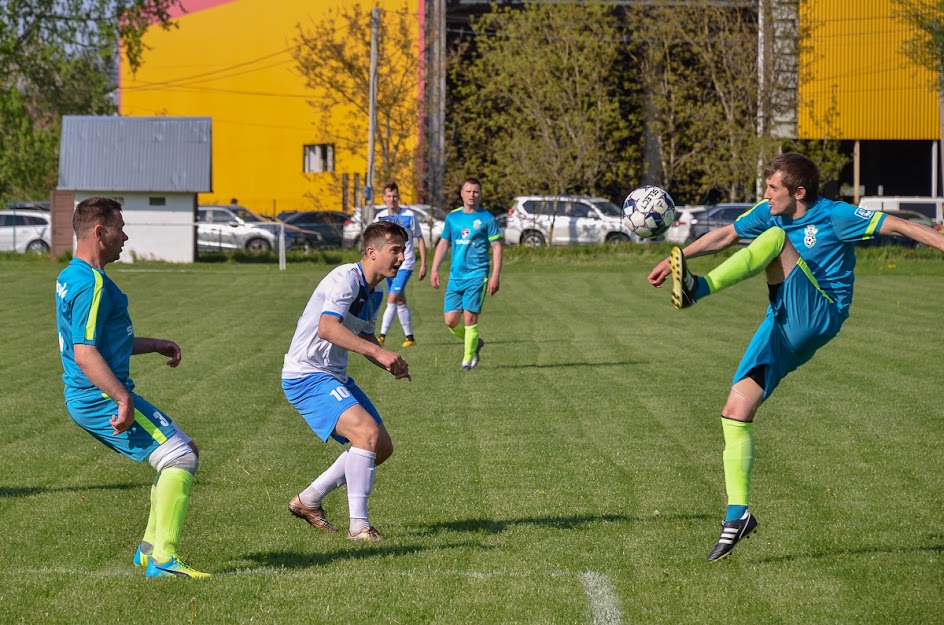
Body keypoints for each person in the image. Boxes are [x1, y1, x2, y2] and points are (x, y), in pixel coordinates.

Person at [648, 152, 944, 562]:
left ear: (798, 192)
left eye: (773, 188)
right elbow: (726, 236)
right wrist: (674, 259)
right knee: (736, 408)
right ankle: (738, 515)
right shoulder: (769, 210)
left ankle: (699, 291)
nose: (766, 195)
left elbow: (899, 225)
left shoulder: (835, 214)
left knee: (774, 239)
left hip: (821, 311)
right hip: (784, 317)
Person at [55, 197, 209, 578]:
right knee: (180, 459)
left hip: (88, 393)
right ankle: (164, 560)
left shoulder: (71, 276)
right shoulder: (91, 284)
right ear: (98, 231)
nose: (125, 236)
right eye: (120, 227)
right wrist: (122, 398)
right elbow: (86, 352)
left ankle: (147, 550)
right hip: (98, 395)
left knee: (184, 448)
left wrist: (153, 344)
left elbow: (103, 342)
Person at [282, 221, 412, 542]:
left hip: (332, 375)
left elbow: (364, 333)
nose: (401, 258)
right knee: (366, 434)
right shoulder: (346, 279)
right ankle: (359, 527)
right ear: (372, 252)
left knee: (380, 447)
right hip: (306, 375)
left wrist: (386, 360)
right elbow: (327, 328)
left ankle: (308, 500)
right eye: (395, 250)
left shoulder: (376, 291)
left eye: (403, 251)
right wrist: (378, 354)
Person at [430, 178, 503, 371]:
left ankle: (467, 361)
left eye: (476, 191)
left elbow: (496, 247)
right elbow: (444, 243)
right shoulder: (452, 218)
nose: (472, 195)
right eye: (468, 191)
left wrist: (495, 275)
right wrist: (434, 269)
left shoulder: (487, 218)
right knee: (450, 321)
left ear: (480, 194)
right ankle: (475, 342)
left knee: (470, 319)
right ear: (462, 193)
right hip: (456, 277)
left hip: (477, 275)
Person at [373, 182, 427, 347]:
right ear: (384, 198)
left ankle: (381, 336)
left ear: (398, 197)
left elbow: (420, 238)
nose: (392, 199)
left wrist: (424, 263)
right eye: (388, 196)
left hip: (406, 263)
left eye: (394, 196)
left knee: (392, 297)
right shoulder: (380, 217)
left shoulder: (409, 215)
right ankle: (410, 338)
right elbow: (374, 240)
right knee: (400, 300)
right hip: (389, 265)